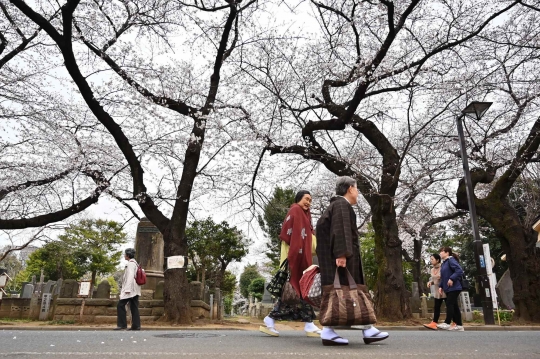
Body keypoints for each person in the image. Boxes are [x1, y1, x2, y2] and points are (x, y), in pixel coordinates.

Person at [315, 176, 389, 346]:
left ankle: (364, 329)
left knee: (341, 293)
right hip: (341, 260)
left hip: (335, 259)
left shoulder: (335, 206)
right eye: (356, 189)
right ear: (349, 188)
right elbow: (340, 230)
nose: (357, 193)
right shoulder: (341, 205)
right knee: (348, 293)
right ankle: (363, 329)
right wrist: (342, 254)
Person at [260, 190, 322, 338]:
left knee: (299, 292)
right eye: (306, 199)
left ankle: (308, 324)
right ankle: (272, 319)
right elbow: (288, 235)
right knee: (295, 291)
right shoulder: (295, 210)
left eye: (310, 200)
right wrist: (294, 256)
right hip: (293, 258)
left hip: (300, 258)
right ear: (299, 199)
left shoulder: (305, 216)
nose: (308, 202)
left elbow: (310, 239)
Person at [437, 246, 464, 331]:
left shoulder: (451, 260)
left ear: (447, 252)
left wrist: (452, 278)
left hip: (454, 287)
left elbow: (459, 270)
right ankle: (459, 325)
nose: (440, 253)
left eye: (441, 251)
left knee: (449, 304)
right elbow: (444, 277)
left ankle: (447, 322)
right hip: (448, 288)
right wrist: (441, 286)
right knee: (454, 306)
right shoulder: (444, 263)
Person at [114, 248, 141, 331]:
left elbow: (130, 276)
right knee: (134, 306)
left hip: (130, 289)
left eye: (125, 254)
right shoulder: (135, 263)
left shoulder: (131, 264)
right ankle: (136, 325)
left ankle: (122, 325)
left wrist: (127, 289)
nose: (124, 255)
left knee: (120, 305)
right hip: (135, 288)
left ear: (128, 255)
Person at [423, 253, 446, 330]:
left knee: (450, 306)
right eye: (430, 259)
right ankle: (434, 323)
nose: (431, 261)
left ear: (438, 260)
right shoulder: (432, 269)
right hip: (437, 290)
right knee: (436, 307)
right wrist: (430, 282)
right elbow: (434, 280)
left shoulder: (443, 267)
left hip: (444, 289)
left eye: (432, 259)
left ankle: (453, 322)